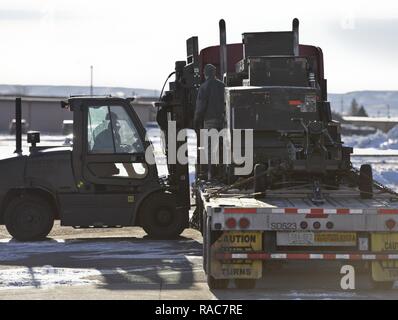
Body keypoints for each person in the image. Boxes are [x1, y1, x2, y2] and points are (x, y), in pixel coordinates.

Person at [194, 64, 226, 180]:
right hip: (223, 121)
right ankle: (222, 172)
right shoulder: (222, 85)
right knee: (222, 146)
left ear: (205, 73)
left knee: (210, 147)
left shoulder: (204, 87)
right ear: (215, 72)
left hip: (209, 120)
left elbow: (200, 106)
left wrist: (197, 120)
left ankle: (211, 174)